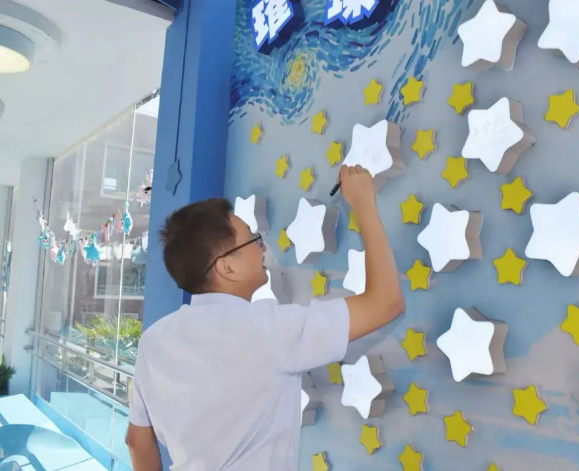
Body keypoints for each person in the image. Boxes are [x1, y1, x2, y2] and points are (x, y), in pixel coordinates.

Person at [126, 165, 405, 471]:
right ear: (226, 267)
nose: (262, 248)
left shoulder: (153, 341)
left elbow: (137, 442)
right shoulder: (267, 329)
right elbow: (385, 303)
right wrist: (364, 204)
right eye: (253, 239)